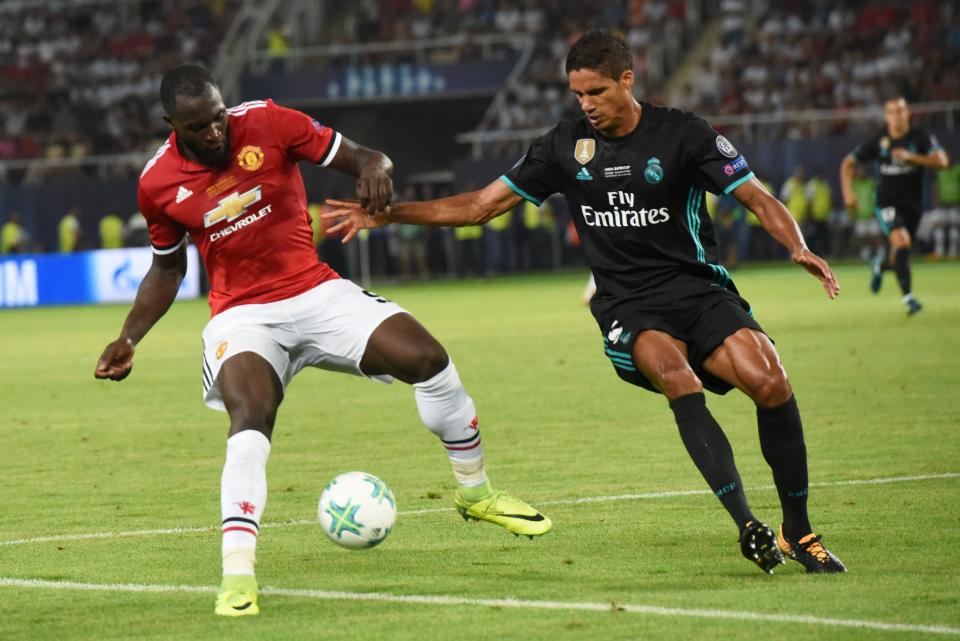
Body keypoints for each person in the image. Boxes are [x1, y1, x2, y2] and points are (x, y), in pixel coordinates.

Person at [326, 30, 845, 575]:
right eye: (578, 95)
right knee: (678, 377)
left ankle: (798, 530)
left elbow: (756, 197)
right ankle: (747, 525)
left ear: (628, 79)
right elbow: (481, 205)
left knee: (771, 381)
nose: (586, 105)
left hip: (698, 289)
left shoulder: (685, 134)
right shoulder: (563, 148)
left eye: (596, 92)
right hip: (628, 305)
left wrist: (798, 247)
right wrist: (392, 213)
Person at [93, 65, 550, 618]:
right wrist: (129, 337)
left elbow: (363, 156)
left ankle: (475, 494)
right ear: (172, 125)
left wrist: (376, 170)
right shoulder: (157, 182)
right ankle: (238, 573)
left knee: (427, 359)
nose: (215, 133)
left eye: (218, 117)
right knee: (251, 412)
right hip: (242, 315)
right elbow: (166, 271)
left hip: (316, 292)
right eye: (199, 127)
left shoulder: (268, 121)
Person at [840, 96, 950, 315]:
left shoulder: (920, 138)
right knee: (902, 242)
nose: (896, 116)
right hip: (886, 203)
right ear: (886, 116)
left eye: (900, 111)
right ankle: (909, 298)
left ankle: (880, 266)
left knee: (900, 252)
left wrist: (912, 157)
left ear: (908, 114)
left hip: (913, 206)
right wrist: (848, 192)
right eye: (891, 112)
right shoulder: (878, 141)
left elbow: (942, 162)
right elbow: (848, 163)